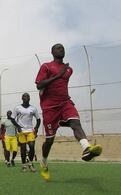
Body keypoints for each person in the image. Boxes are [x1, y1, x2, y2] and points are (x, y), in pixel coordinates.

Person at [35, 43, 102, 181]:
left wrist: (61, 74)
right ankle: (44, 162)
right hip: (49, 108)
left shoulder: (69, 70)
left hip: (65, 103)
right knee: (49, 141)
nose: (61, 49)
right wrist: (57, 76)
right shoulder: (46, 67)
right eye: (58, 48)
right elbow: (39, 85)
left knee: (75, 123)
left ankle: (86, 148)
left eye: (63, 48)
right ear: (52, 52)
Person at [12, 93, 41, 172]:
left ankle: (30, 164)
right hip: (21, 131)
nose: (26, 98)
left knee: (32, 146)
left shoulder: (33, 108)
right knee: (23, 149)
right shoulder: (17, 108)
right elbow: (12, 119)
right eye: (25, 96)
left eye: (28, 96)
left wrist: (36, 128)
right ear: (22, 98)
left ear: (29, 98)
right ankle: (24, 165)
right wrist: (18, 127)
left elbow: (38, 120)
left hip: (30, 130)